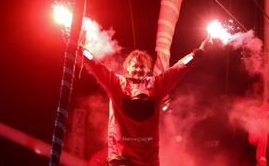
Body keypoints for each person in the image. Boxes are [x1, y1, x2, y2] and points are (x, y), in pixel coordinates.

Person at [78, 38, 211, 166]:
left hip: (148, 160)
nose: (138, 69)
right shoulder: (117, 84)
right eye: (135, 66)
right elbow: (97, 67)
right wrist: (81, 50)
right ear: (127, 67)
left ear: (147, 69)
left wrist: (198, 53)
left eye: (142, 66)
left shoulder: (156, 86)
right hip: (121, 159)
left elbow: (177, 70)